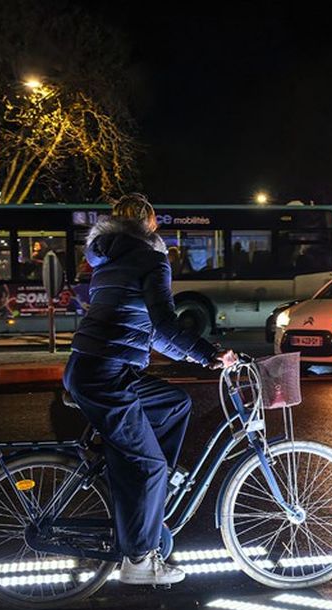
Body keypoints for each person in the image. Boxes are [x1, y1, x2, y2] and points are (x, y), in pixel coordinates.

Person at [64, 193, 238, 586]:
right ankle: (139, 562)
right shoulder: (152, 259)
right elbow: (163, 324)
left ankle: (150, 484)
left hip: (90, 368)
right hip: (108, 375)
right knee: (149, 465)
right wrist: (209, 352)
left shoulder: (107, 261)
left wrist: (199, 358)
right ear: (151, 224)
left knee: (175, 403)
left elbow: (148, 333)